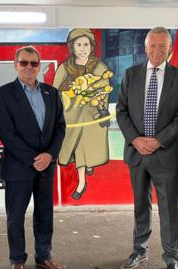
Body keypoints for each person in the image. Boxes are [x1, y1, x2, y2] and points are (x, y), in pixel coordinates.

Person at [116, 26, 178, 269]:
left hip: (165, 153)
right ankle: (140, 251)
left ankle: (171, 258)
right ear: (145, 47)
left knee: (169, 209)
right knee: (140, 205)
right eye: (152, 45)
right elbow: (121, 111)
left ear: (169, 48)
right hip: (137, 153)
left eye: (162, 46)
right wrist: (136, 140)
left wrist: (158, 140)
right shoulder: (131, 74)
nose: (157, 50)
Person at [0, 46, 66, 269]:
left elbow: (60, 128)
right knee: (15, 217)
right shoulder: (4, 93)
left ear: (39, 66)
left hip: (46, 166)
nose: (29, 67)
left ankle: (43, 257)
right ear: (15, 65)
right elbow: (6, 132)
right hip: (18, 167)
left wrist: (50, 155)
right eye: (24, 62)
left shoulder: (51, 93)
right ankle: (17, 260)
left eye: (34, 63)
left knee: (45, 215)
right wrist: (35, 158)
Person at [53, 28, 113, 200]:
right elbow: (55, 89)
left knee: (89, 147)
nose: (82, 48)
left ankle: (88, 165)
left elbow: (105, 88)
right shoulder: (66, 67)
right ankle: (81, 182)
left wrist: (93, 91)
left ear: (91, 46)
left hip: (92, 116)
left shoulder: (100, 66)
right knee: (79, 147)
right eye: (78, 44)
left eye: (86, 44)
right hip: (73, 115)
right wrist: (71, 92)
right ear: (72, 47)